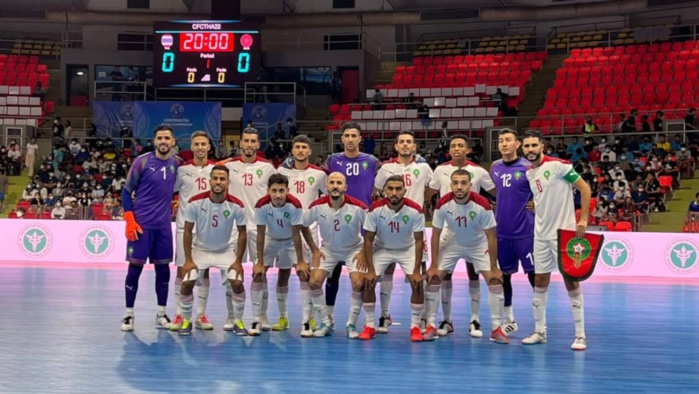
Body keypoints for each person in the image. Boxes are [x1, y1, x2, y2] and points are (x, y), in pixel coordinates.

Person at [521, 129, 592, 351]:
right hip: (540, 236)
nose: (530, 150)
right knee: (540, 282)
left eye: (534, 145)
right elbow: (543, 196)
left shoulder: (560, 166)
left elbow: (585, 188)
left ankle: (580, 335)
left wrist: (583, 219)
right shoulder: (529, 174)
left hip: (564, 234)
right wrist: (536, 205)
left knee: (571, 282)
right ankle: (539, 331)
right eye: (527, 146)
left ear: (542, 146)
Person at [426, 134, 496, 338]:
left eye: (460, 146)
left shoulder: (479, 171)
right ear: (449, 150)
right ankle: (446, 321)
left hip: (475, 231)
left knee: (474, 274)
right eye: (453, 145)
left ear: (468, 150)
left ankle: (475, 320)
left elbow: (497, 193)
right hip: (450, 229)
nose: (456, 148)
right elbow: (427, 195)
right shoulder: (440, 170)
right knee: (443, 275)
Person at [120, 125, 183, 331]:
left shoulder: (177, 164)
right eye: (159, 138)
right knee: (134, 270)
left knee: (163, 271)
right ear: (155, 141)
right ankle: (129, 315)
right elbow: (127, 192)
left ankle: (161, 314)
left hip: (163, 227)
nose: (163, 141)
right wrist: (130, 220)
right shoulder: (142, 162)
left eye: (167, 138)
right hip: (141, 227)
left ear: (173, 142)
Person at [372, 130, 433, 333]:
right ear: (396, 147)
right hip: (389, 223)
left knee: (419, 271)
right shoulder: (386, 168)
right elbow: (377, 190)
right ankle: (384, 315)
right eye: (402, 142)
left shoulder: (423, 168)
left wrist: (421, 202)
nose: (406, 145)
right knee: (387, 270)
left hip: (414, 225)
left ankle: (422, 317)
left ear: (415, 146)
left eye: (409, 142)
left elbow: (432, 189)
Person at [322, 123, 380, 329]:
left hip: (364, 222)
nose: (350, 139)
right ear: (342, 139)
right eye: (346, 135)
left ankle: (364, 320)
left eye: (354, 135)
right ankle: (328, 319)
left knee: (362, 277)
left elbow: (391, 171)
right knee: (332, 274)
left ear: (360, 138)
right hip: (337, 220)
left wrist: (418, 159)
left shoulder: (372, 161)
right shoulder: (332, 160)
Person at [178, 165, 248, 336]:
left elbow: (242, 233)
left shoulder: (237, 205)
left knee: (237, 282)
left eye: (222, 179)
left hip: (225, 251)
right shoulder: (195, 202)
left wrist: (238, 261)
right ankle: (186, 320)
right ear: (209, 181)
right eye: (215, 178)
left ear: (228, 182)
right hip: (200, 250)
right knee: (186, 282)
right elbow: (187, 230)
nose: (218, 182)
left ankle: (237, 320)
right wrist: (188, 260)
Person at [219, 128, 276, 330]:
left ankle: (262, 316)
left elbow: (275, 195)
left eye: (253, 141)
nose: (249, 145)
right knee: (231, 273)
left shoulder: (268, 168)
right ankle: (231, 316)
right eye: (246, 141)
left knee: (260, 273)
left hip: (260, 227)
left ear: (258, 144)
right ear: (240, 144)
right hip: (233, 228)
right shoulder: (228, 166)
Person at [302, 172, 368, 338]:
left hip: (354, 249)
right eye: (332, 183)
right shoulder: (316, 206)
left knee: (358, 283)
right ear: (326, 187)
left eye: (339, 183)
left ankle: (351, 325)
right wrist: (315, 249)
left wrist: (363, 252)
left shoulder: (358, 206)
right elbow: (303, 225)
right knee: (314, 281)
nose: (335, 186)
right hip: (328, 250)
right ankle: (326, 322)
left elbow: (372, 229)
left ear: (345, 187)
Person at [363, 175, 426, 342]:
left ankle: (415, 327)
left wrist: (416, 271)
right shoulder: (375, 209)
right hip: (382, 248)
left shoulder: (415, 209)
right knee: (368, 282)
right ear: (384, 191)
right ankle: (370, 325)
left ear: (405, 191)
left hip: (407, 249)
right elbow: (368, 239)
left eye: (398, 189)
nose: (394, 192)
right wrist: (370, 270)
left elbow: (419, 241)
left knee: (418, 283)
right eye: (390, 189)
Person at [277, 135, 328, 334]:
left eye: (304, 147)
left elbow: (325, 199)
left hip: (309, 231)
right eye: (297, 147)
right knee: (282, 273)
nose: (300, 150)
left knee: (306, 275)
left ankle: (310, 319)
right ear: (292, 150)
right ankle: (283, 318)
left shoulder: (320, 174)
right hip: (282, 229)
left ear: (310, 151)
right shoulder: (281, 172)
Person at [489, 129, 536, 337]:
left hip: (526, 232)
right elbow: (494, 193)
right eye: (501, 141)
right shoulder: (495, 167)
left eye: (508, 140)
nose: (504, 144)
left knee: (535, 278)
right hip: (502, 232)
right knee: (504, 277)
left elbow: (543, 192)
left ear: (518, 144)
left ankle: (539, 324)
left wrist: (538, 203)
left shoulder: (529, 166)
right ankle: (509, 320)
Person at [170, 131, 216, 332]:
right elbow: (168, 191)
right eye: (196, 144)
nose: (199, 147)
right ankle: (180, 314)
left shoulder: (216, 170)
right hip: (184, 227)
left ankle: (200, 314)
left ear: (208, 147)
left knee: (204, 270)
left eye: (203, 144)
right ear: (192, 145)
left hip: (207, 229)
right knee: (182, 270)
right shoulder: (182, 170)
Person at [251, 174, 306, 335]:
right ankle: (258, 319)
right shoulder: (261, 205)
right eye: (274, 191)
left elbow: (297, 234)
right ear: (268, 191)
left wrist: (301, 261)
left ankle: (304, 321)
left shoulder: (294, 204)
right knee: (257, 275)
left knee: (303, 274)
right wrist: (260, 262)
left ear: (287, 190)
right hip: (271, 239)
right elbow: (260, 234)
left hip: (290, 240)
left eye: (282, 191)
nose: (278, 195)